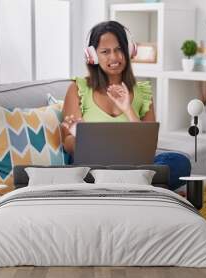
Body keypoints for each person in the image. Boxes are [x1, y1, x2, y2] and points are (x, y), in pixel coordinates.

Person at [61, 20, 190, 191]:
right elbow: (67, 145)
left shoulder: (143, 92)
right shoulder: (78, 88)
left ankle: (118, 188)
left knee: (179, 162)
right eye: (105, 52)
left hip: (132, 167)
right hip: (93, 169)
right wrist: (81, 135)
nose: (114, 57)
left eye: (119, 49)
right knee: (79, 171)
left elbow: (148, 146)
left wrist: (128, 109)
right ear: (92, 56)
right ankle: (138, 189)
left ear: (129, 50)